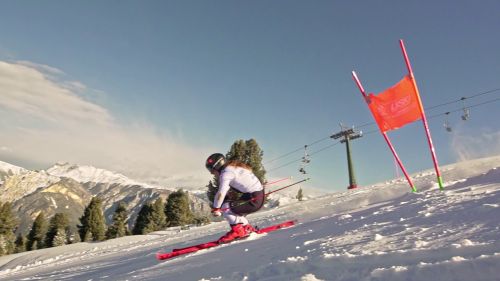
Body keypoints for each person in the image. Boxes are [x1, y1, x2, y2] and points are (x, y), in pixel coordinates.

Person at [205, 153, 265, 243]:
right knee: (231, 207)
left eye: (211, 169)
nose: (211, 173)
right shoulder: (233, 168)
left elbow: (221, 192)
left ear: (217, 166)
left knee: (225, 207)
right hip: (257, 196)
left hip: (254, 200)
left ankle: (239, 231)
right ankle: (246, 227)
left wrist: (216, 208)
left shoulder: (226, 173)